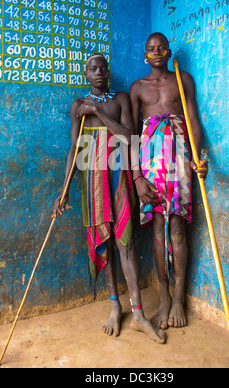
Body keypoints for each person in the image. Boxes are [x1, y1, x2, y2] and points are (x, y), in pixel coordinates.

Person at [53, 53, 166, 344]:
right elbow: (74, 149)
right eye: (93, 69)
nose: (100, 72)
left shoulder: (121, 99)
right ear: (86, 75)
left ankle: (138, 314)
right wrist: (63, 192)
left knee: (124, 241)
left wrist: (98, 111)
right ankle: (115, 306)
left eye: (103, 67)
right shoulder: (77, 106)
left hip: (118, 175)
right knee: (103, 241)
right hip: (90, 178)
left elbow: (130, 136)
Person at [130, 33, 208, 330]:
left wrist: (197, 158)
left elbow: (193, 121)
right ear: (146, 55)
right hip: (150, 166)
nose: (157, 52)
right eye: (151, 49)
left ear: (169, 51)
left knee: (177, 227)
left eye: (162, 47)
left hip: (179, 160)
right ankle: (163, 299)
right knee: (158, 230)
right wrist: (137, 177)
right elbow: (133, 135)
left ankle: (178, 299)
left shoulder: (182, 79)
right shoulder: (138, 88)